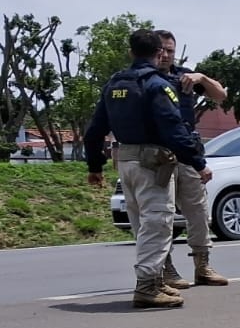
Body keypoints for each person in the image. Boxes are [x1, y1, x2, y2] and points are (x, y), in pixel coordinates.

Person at [84, 28, 212, 309]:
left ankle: (156, 281)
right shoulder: (157, 85)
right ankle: (147, 287)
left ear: (131, 52)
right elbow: (173, 129)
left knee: (141, 224)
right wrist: (198, 163)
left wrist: (95, 167)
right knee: (157, 223)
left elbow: (94, 131)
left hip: (125, 162)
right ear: (158, 54)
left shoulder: (114, 84)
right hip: (152, 163)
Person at [154, 30, 229, 288]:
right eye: (161, 49)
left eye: (170, 50)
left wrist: (201, 77)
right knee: (161, 216)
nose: (165, 55)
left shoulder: (184, 76)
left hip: (187, 152)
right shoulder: (145, 79)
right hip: (158, 155)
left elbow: (220, 95)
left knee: (198, 211)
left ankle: (203, 266)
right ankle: (166, 269)